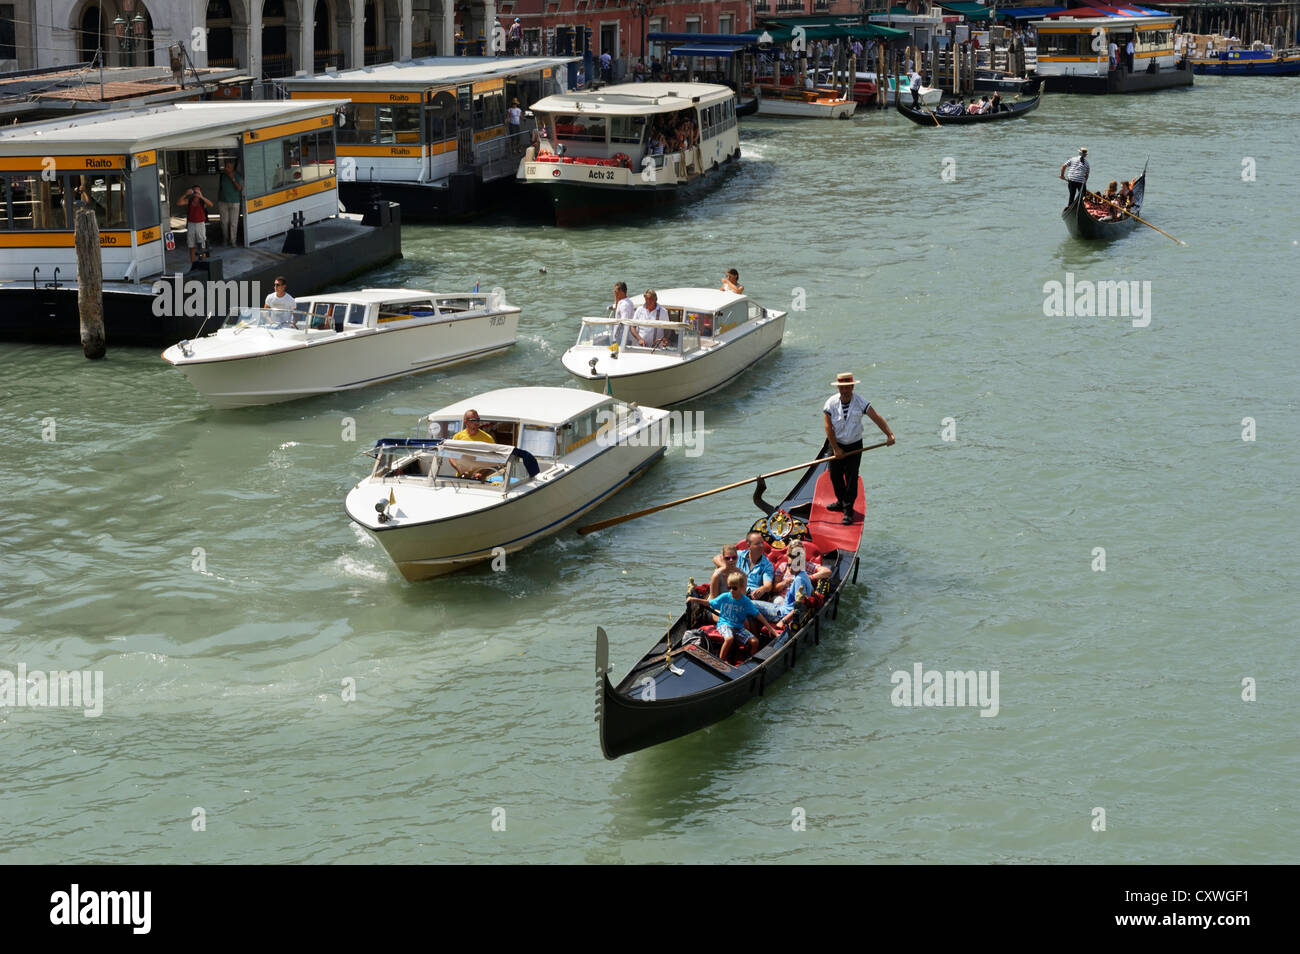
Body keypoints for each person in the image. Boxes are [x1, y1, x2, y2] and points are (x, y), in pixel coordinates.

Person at [823, 372, 894, 525]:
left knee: (851, 477)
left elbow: (876, 417)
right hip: (836, 443)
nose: (844, 391)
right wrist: (835, 448)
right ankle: (841, 501)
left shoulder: (861, 402)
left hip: (854, 445)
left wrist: (889, 434)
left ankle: (848, 509)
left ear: (852, 386)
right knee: (834, 475)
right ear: (838, 388)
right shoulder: (830, 403)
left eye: (847, 388)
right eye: (842, 388)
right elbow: (828, 427)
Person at [686, 570, 780, 664]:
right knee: (729, 638)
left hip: (738, 627)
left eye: (734, 588)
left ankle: (751, 662)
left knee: (755, 642)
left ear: (741, 587)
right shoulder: (725, 596)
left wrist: (771, 629)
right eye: (729, 587)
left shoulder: (745, 601)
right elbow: (709, 603)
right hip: (724, 624)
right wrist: (694, 599)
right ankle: (721, 661)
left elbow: (758, 615)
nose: (731, 590)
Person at [176, 184, 213, 263]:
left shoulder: (202, 201)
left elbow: (211, 204)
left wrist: (201, 196)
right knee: (191, 244)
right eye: (194, 191)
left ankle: (204, 262)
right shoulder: (189, 200)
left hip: (200, 224)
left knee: (202, 244)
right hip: (191, 224)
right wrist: (186, 194)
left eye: (198, 191)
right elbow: (178, 203)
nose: (196, 193)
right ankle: (193, 262)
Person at [735, 531, 775, 599]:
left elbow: (768, 585)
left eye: (762, 543)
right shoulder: (738, 555)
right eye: (757, 544)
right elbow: (717, 558)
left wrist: (763, 588)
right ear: (749, 546)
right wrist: (724, 567)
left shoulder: (767, 565)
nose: (761, 546)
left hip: (752, 595)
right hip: (734, 589)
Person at [217, 159, 243, 247]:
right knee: (224, 222)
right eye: (225, 166)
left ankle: (233, 241)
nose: (226, 168)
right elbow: (220, 188)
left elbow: (239, 188)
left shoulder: (237, 176)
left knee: (233, 223)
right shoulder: (222, 176)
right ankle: (225, 239)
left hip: (235, 202)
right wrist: (219, 199)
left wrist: (232, 178)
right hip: (223, 202)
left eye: (228, 167)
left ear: (232, 168)